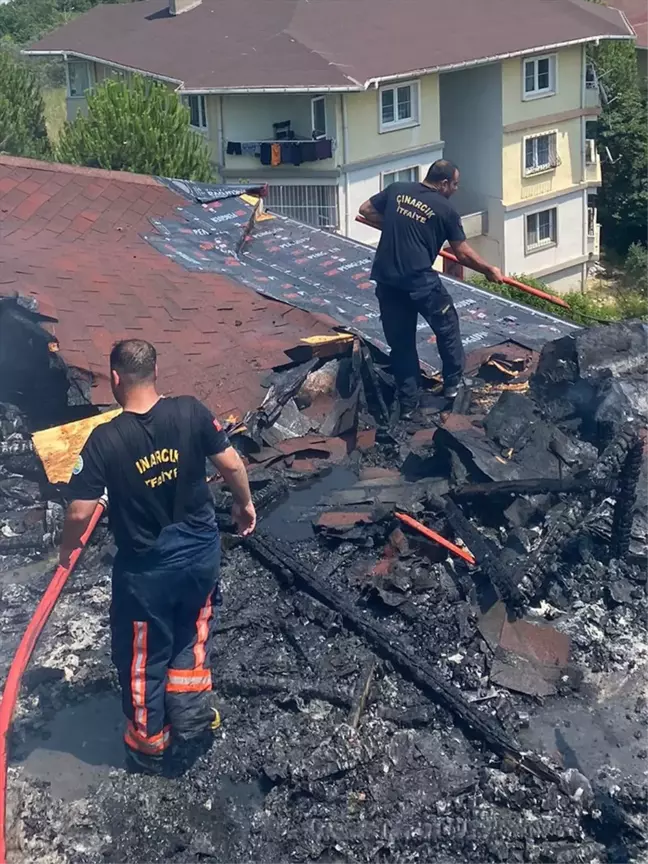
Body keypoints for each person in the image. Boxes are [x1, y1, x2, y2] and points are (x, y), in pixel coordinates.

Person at [60, 339, 256, 775]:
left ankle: (149, 743)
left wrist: (67, 547)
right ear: (154, 371)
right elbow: (232, 465)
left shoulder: (105, 441)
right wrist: (243, 504)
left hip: (148, 573)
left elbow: (78, 511)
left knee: (145, 654)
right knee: (192, 633)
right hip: (201, 555)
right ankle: (190, 716)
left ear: (115, 378)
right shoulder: (190, 411)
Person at [359, 159, 503, 419]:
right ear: (444, 183)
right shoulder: (445, 209)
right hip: (419, 281)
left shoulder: (398, 189)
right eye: (455, 184)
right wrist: (488, 270)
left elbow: (366, 209)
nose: (456, 189)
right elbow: (462, 252)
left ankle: (408, 404)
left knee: (401, 344)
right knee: (447, 326)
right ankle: (453, 386)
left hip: (387, 280)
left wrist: (396, 225)